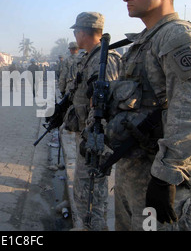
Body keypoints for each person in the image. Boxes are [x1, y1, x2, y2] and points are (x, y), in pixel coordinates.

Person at [106, 0, 191, 231]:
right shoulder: (146, 40)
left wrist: (167, 176)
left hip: (156, 173)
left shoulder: (177, 36)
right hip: (133, 168)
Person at [70, 12, 121, 231]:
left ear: (82, 31)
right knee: (83, 195)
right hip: (87, 137)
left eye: (75, 31)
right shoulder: (91, 57)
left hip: (96, 142)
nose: (74, 35)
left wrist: (93, 138)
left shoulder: (105, 59)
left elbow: (105, 106)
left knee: (92, 199)